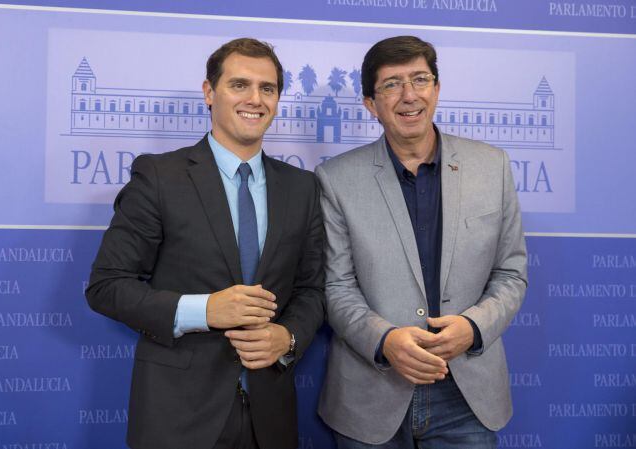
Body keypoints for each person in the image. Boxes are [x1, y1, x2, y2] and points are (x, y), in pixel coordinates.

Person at [85, 37, 324, 449]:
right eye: (239, 85)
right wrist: (204, 310)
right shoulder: (160, 177)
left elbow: (312, 289)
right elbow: (107, 287)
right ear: (209, 92)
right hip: (178, 418)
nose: (255, 99)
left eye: (267, 89)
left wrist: (288, 338)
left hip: (270, 419)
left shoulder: (302, 188)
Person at [316, 35, 528, 448]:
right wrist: (385, 340)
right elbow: (335, 286)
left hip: (467, 394)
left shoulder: (492, 167)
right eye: (392, 84)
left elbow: (511, 273)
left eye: (420, 79)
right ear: (370, 104)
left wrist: (473, 327)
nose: (409, 95)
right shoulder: (336, 180)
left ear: (437, 88)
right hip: (370, 394)